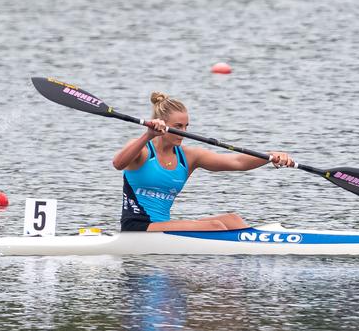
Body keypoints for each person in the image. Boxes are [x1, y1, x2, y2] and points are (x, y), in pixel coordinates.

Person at [112, 91, 294, 232]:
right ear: (162, 124)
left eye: (186, 126)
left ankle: (257, 250)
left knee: (232, 219)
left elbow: (238, 162)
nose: (183, 132)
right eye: (178, 127)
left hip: (163, 225)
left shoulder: (189, 157)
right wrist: (148, 134)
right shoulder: (142, 150)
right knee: (215, 227)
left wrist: (270, 156)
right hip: (138, 227)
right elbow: (118, 164)